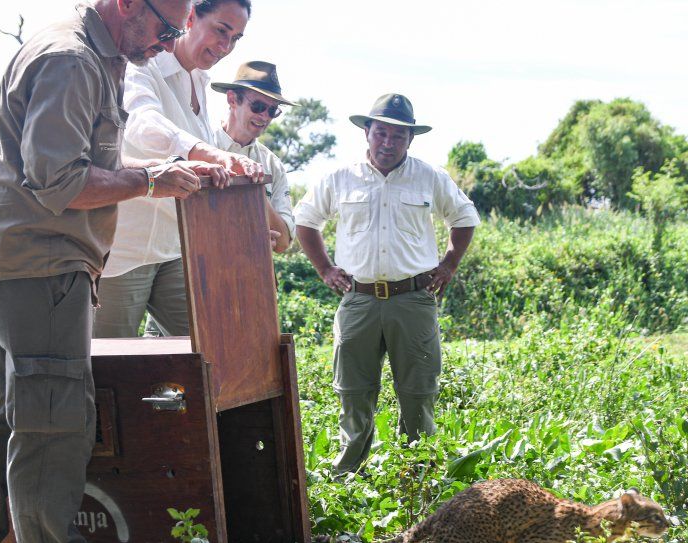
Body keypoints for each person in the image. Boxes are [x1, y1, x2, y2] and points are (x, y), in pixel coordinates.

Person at [0, 1, 227, 543]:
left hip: (8, 264)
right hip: (42, 268)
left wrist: (157, 169)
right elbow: (58, 181)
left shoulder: (87, 53)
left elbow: (85, 164)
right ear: (127, 4)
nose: (166, 44)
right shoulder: (73, 59)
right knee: (52, 426)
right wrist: (150, 181)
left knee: (2, 412)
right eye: (163, 28)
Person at [295, 93, 480, 474]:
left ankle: (416, 474)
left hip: (412, 299)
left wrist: (448, 265)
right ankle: (349, 473)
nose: (388, 143)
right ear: (367, 132)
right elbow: (306, 220)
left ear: (410, 139)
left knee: (418, 390)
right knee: (353, 390)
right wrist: (326, 269)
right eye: (381, 133)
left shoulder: (429, 177)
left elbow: (464, 217)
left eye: (398, 136)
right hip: (358, 300)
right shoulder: (340, 177)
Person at [94, 0, 263, 339]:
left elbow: (203, 164)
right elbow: (142, 124)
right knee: (109, 369)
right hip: (123, 252)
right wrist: (205, 152)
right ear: (189, 17)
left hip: (177, 248)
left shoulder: (200, 80)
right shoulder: (142, 62)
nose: (225, 47)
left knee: (212, 349)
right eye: (220, 31)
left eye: (235, 39)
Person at [211, 61, 298, 252]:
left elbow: (283, 243)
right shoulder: (201, 142)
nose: (265, 116)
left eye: (272, 110)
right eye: (258, 106)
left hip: (255, 273)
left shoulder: (272, 164)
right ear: (232, 99)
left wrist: (256, 193)